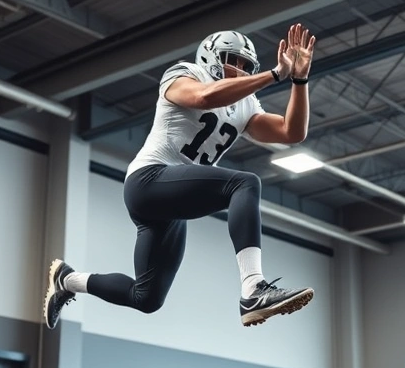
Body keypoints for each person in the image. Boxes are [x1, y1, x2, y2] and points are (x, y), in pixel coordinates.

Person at [43, 23, 318, 329]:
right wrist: (274, 74)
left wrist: (298, 79)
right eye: (232, 60)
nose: (239, 70)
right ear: (211, 57)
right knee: (244, 183)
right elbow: (204, 98)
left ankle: (67, 279)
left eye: (245, 65)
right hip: (148, 181)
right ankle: (253, 288)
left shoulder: (246, 104)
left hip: (173, 203)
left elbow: (292, 132)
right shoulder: (184, 74)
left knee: (146, 298)